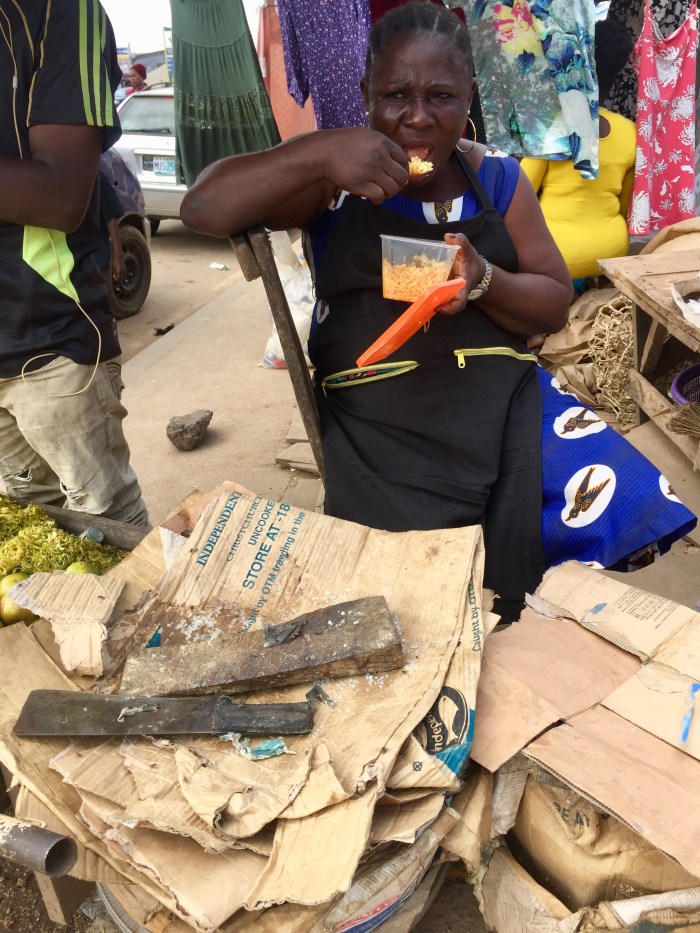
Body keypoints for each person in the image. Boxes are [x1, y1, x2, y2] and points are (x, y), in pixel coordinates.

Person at [181, 2, 695, 619]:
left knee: (625, 493)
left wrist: (483, 280)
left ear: (470, 95)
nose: (418, 117)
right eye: (396, 95)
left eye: (442, 96)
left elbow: (553, 304)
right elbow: (202, 208)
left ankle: (525, 617)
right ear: (366, 93)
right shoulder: (332, 180)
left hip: (500, 391)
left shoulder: (496, 178)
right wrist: (318, 152)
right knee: (408, 582)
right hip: (379, 406)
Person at [0, 0, 149, 527]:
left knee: (107, 521)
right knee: (31, 524)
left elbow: (61, 197)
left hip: (46, 341)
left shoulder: (60, 11)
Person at [520, 19, 637, 283]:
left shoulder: (553, 124)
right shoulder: (630, 132)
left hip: (557, 255)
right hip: (612, 253)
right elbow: (624, 205)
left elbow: (522, 191)